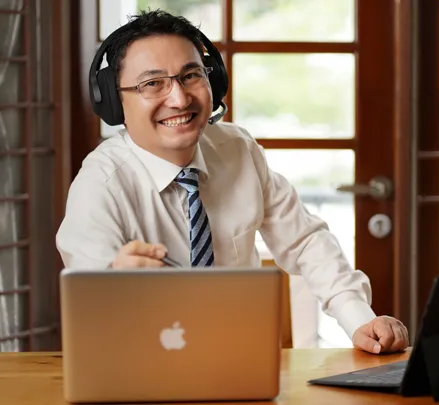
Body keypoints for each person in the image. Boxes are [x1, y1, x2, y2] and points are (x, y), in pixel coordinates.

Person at [56, 9, 408, 354]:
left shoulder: (238, 149)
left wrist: (359, 318)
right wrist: (112, 284)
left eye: (191, 75)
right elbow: (88, 310)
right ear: (115, 102)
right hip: (145, 366)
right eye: (152, 84)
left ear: (214, 82)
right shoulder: (99, 184)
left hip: (242, 359)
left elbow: (304, 242)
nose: (179, 99)